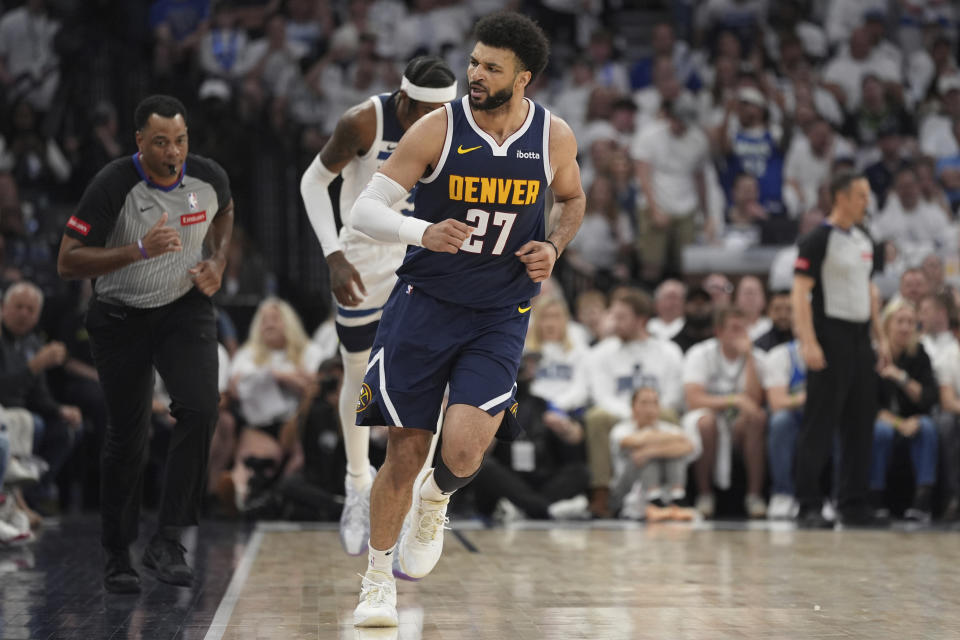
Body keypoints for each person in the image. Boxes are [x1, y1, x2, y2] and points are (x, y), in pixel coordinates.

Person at [347, 12, 584, 627]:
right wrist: (421, 230)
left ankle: (436, 499)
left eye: (490, 68)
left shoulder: (553, 136)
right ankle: (377, 582)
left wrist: (554, 246)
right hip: (425, 305)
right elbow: (364, 211)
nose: (474, 75)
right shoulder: (438, 128)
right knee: (405, 449)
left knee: (466, 445)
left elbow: (574, 199)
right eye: (474, 62)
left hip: (500, 313)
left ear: (523, 78)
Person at [56, 95, 234, 593]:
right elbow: (68, 261)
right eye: (160, 142)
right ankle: (118, 552)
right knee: (128, 436)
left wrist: (217, 263)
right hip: (119, 315)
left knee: (200, 409)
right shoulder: (112, 184)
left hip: (184, 305)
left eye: (179, 140)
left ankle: (169, 539)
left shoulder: (208, 177)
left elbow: (226, 212)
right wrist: (137, 250)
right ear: (139, 142)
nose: (172, 151)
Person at [299, 55, 457, 557]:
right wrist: (333, 254)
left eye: (443, 113)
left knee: (432, 377)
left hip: (424, 250)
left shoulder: (457, 123)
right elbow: (313, 181)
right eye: (425, 112)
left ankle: (408, 501)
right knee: (355, 370)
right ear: (404, 101)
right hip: (365, 255)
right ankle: (356, 483)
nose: (436, 122)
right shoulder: (363, 120)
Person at [792, 170, 887, 529]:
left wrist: (880, 338)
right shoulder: (817, 239)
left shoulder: (865, 239)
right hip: (829, 336)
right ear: (841, 198)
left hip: (860, 337)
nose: (867, 202)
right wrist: (808, 341)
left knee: (861, 422)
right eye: (861, 195)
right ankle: (808, 503)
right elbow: (799, 292)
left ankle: (853, 502)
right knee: (819, 423)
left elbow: (871, 292)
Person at [682, 307, 768, 519]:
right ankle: (705, 495)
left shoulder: (758, 357)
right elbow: (693, 400)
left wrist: (748, 358)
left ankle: (754, 496)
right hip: (707, 417)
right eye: (734, 328)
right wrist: (733, 399)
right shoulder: (699, 354)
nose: (740, 334)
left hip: (737, 424)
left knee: (756, 419)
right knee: (706, 423)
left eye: (743, 328)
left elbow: (754, 401)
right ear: (719, 332)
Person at [869, 300, 939, 523]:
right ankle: (875, 499)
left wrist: (901, 377)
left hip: (913, 420)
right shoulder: (873, 356)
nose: (905, 327)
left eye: (911, 322)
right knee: (881, 431)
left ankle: (922, 501)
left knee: (927, 427)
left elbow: (929, 397)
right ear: (887, 324)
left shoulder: (920, 355)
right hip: (884, 422)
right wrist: (899, 424)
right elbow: (868, 406)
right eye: (900, 321)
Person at [609, 386, 701, 520]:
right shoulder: (621, 429)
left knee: (668, 454)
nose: (650, 408)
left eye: (654, 403)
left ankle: (677, 498)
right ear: (633, 407)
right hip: (628, 491)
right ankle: (654, 500)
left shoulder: (669, 428)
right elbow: (631, 441)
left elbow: (688, 446)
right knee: (642, 455)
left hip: (664, 488)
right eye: (644, 403)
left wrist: (650, 452)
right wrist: (665, 442)